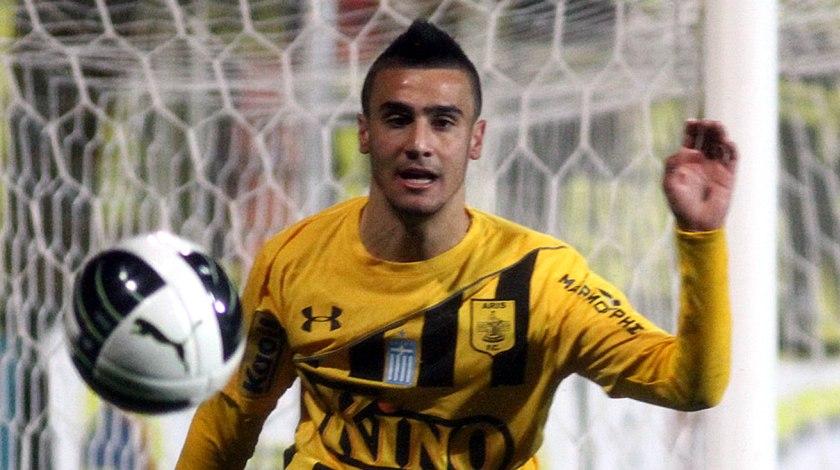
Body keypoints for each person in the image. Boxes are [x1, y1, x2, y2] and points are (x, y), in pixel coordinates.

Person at [177, 20, 737, 469]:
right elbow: (230, 417)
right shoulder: (294, 258)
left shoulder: (540, 280)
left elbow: (690, 385)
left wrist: (701, 238)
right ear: (365, 132)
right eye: (398, 119)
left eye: (443, 122)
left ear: (475, 138)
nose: (419, 143)